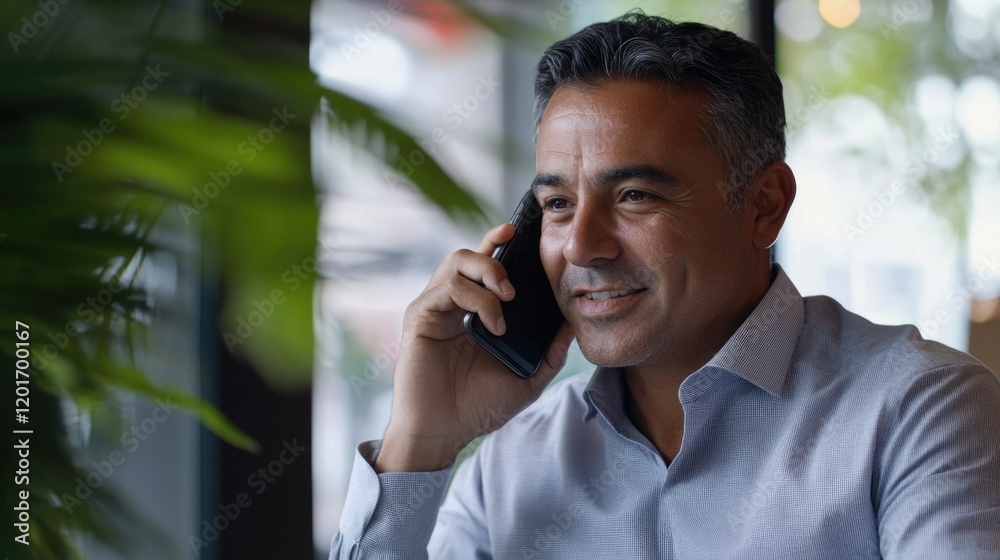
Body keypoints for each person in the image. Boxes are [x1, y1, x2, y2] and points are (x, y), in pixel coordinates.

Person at [330, 12, 1000, 559]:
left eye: (635, 194)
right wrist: (419, 444)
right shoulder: (507, 468)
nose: (584, 246)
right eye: (558, 204)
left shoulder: (920, 412)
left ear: (764, 204)